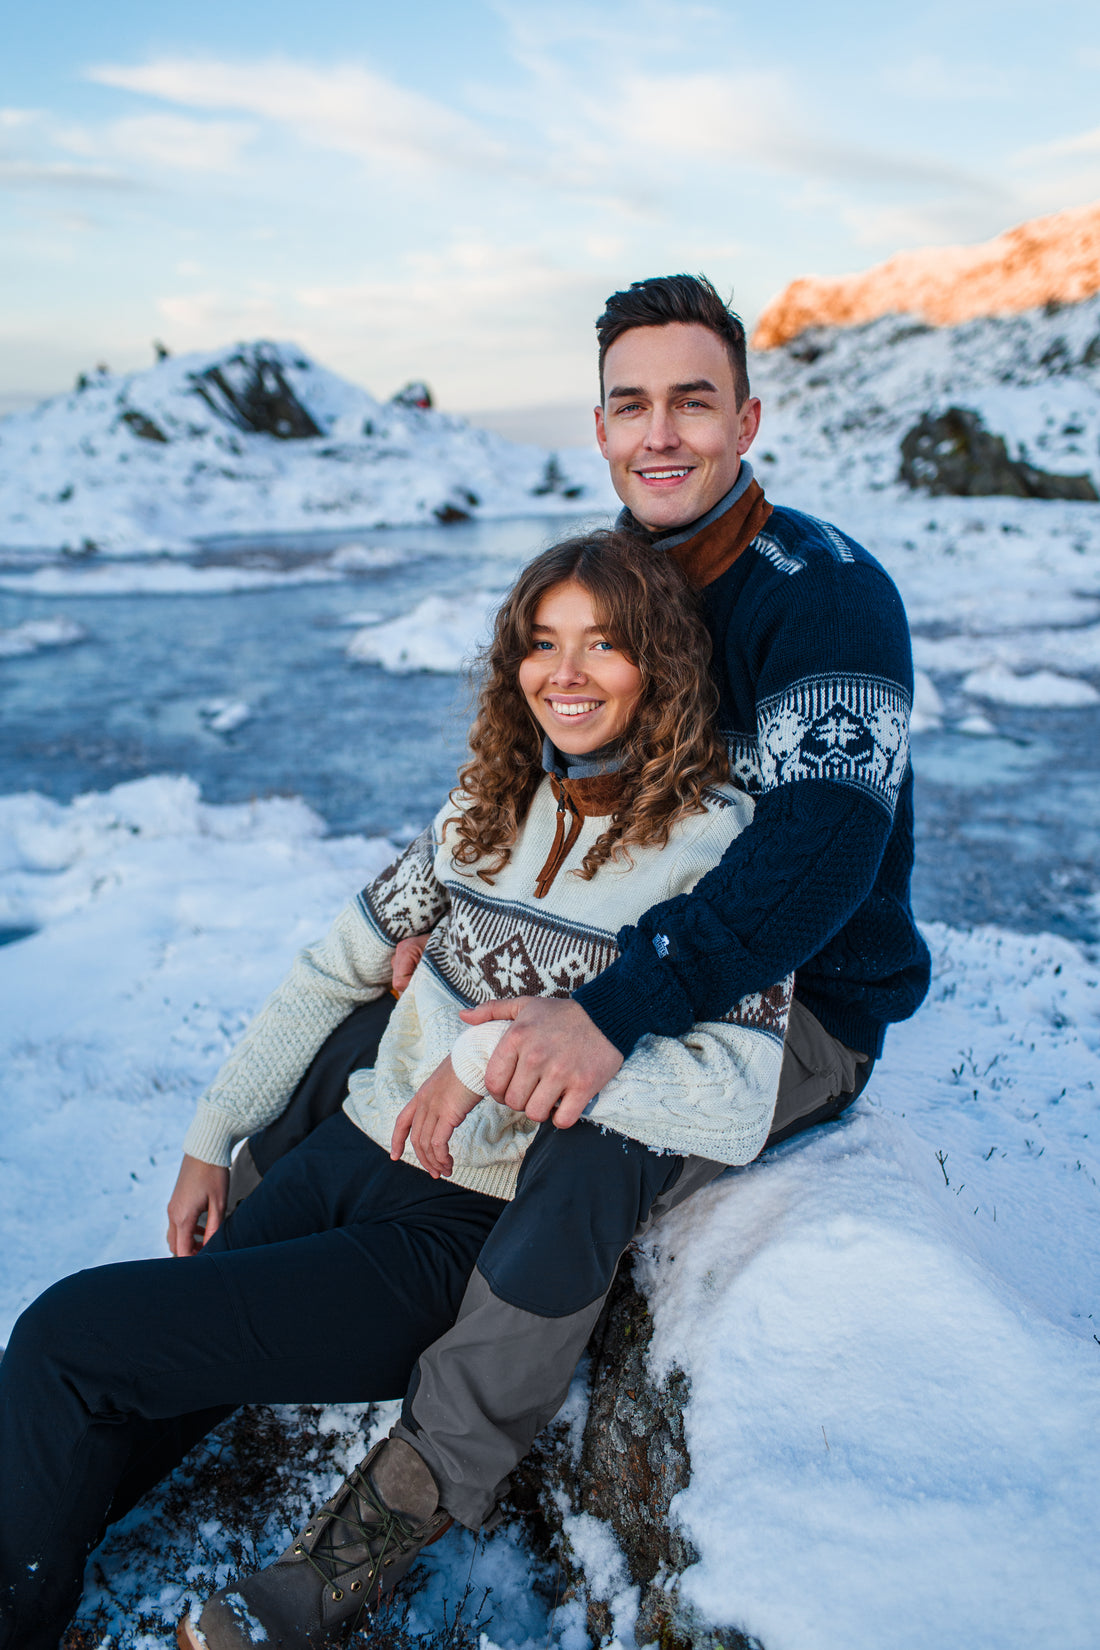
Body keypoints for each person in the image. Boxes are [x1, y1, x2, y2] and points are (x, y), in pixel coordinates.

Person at [0, 532, 792, 1650]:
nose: (563, 673)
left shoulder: (718, 852)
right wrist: (212, 1132)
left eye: (602, 645)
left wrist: (487, 1061)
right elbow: (335, 966)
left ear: (658, 664)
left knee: (63, 1333)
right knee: (116, 1378)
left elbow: (732, 1100)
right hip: (344, 1159)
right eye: (541, 643)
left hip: (447, 1239)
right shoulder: (486, 804)